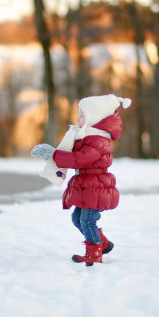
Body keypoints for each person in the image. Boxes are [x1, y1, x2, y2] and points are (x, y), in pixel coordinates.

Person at [31, 94, 131, 266]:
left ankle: (94, 254)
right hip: (88, 184)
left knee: (87, 220)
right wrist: (53, 153)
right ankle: (103, 244)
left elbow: (79, 159)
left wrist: (54, 155)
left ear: (94, 118)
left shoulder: (99, 140)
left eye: (82, 116)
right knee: (77, 219)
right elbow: (73, 154)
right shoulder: (86, 136)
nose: (78, 119)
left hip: (97, 186)